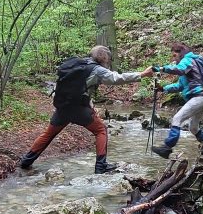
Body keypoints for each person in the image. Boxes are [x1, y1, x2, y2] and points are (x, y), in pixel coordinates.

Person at [19, 46, 154, 173]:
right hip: (78, 108)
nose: (108, 61)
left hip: (63, 107)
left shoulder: (79, 64)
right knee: (101, 130)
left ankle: (25, 162)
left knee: (48, 134)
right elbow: (116, 78)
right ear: (104, 58)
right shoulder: (97, 70)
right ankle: (101, 166)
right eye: (108, 58)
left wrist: (89, 105)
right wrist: (142, 74)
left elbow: (79, 88)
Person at [151, 42, 203, 158]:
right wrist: (163, 89)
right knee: (193, 128)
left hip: (197, 97)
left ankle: (167, 148)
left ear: (181, 53)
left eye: (175, 55)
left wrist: (161, 69)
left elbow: (179, 70)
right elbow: (180, 86)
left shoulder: (187, 60)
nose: (173, 58)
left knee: (177, 119)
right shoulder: (190, 63)